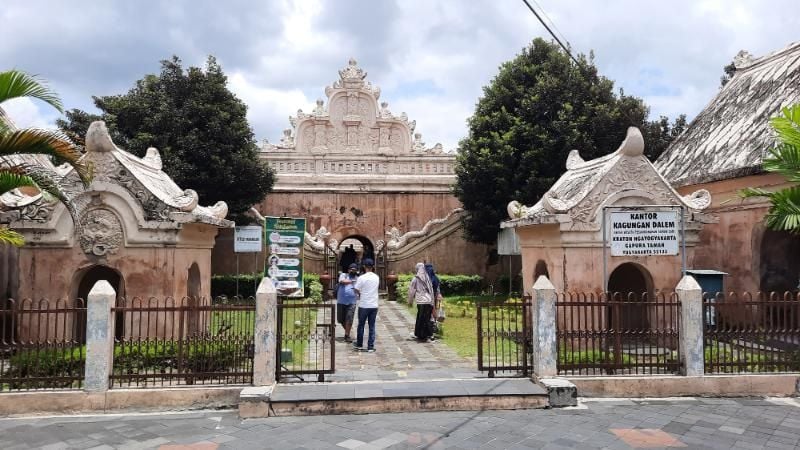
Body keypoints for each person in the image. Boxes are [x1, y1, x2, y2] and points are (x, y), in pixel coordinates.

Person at [353, 258, 380, 352]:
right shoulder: (376, 277)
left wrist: (360, 293)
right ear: (373, 267)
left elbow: (356, 289)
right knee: (372, 326)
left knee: (361, 325)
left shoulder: (361, 278)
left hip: (364, 304)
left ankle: (360, 344)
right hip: (374, 305)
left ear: (364, 266)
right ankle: (370, 346)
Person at [408, 262, 438, 342]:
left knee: (424, 319)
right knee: (421, 318)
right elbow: (431, 290)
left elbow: (411, 291)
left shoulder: (416, 279)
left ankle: (430, 335)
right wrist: (432, 302)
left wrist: (410, 301)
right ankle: (419, 334)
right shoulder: (427, 278)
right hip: (428, 301)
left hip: (421, 302)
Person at [336, 263, 359, 342]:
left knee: (349, 319)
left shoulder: (358, 278)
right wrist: (352, 281)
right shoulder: (343, 275)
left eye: (355, 270)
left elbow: (359, 289)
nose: (353, 271)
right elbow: (342, 281)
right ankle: (348, 331)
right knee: (341, 320)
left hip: (352, 302)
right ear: (349, 270)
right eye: (352, 269)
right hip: (341, 301)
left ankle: (347, 335)